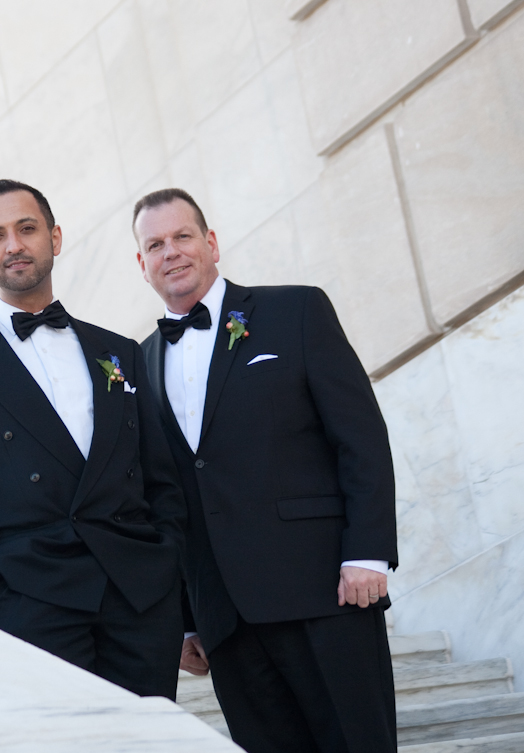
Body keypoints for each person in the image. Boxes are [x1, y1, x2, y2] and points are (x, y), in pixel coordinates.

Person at [133, 188, 399, 752]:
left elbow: (360, 437)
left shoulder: (296, 311)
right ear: (142, 264)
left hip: (325, 589)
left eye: (182, 236)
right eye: (155, 244)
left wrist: (367, 553)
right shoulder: (139, 364)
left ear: (211, 243)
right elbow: (165, 498)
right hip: (225, 621)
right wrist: (183, 617)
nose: (171, 252)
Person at [0, 179, 187, 699]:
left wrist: (166, 565)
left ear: (55, 239)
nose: (13, 245)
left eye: (26, 228)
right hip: (35, 599)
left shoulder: (121, 353)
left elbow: (161, 478)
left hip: (139, 598)